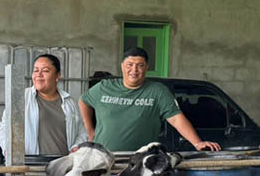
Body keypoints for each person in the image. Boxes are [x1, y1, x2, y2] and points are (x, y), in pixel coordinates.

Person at [79, 47, 220, 153]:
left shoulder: (157, 91)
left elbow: (176, 118)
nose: (134, 70)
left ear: (147, 67)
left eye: (140, 65)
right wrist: (90, 131)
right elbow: (83, 101)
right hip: (103, 158)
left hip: (140, 161)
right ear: (122, 66)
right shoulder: (104, 87)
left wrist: (197, 143)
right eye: (129, 65)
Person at [0, 53, 87, 155]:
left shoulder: (70, 102)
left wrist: (76, 146)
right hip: (30, 163)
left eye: (45, 71)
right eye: (36, 70)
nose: (39, 74)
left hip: (63, 163)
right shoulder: (21, 98)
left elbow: (82, 131)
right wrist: (8, 148)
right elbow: (4, 129)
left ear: (57, 76)